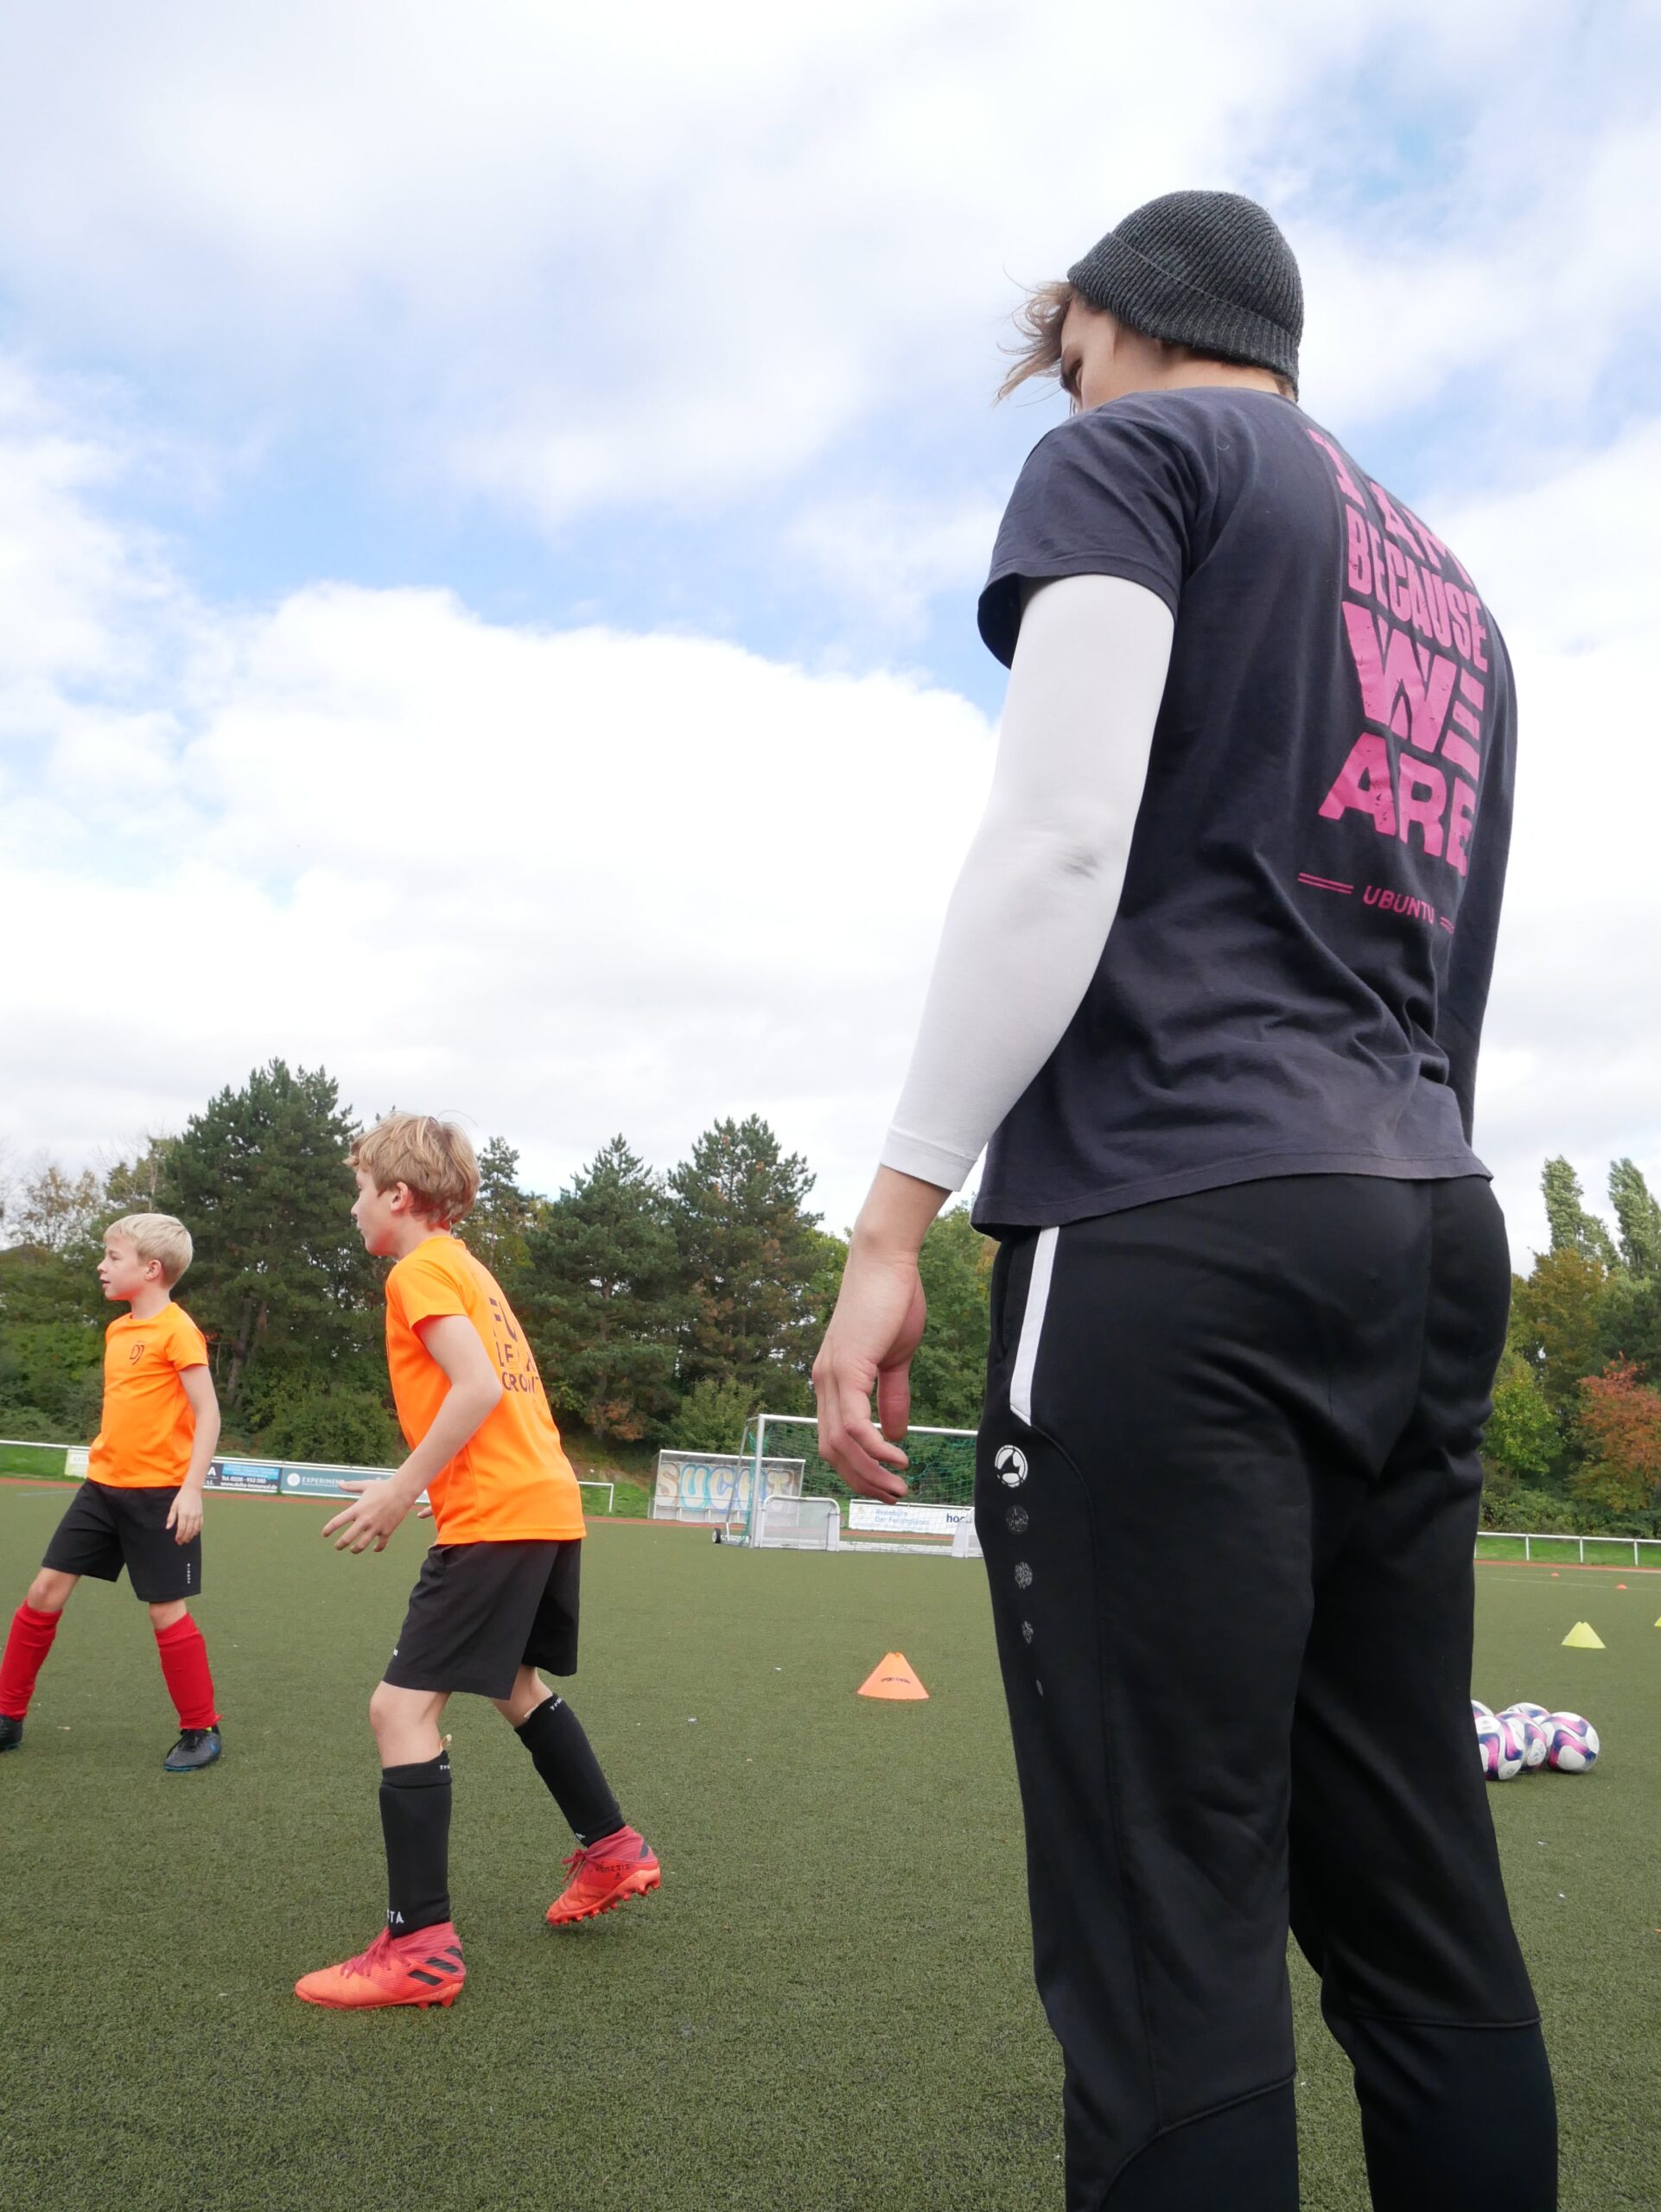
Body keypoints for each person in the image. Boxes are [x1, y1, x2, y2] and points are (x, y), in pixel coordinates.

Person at [813, 190, 1555, 2210]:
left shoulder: (1133, 453)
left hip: (1178, 1216)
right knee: (1415, 1894)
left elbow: (1058, 838)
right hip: (1421, 1216)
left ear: (1118, 320)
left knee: (1167, 1914)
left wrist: (891, 1220)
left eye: (1064, 360)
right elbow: (1448, 962)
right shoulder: (1450, 589)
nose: (1062, 399)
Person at [294, 1112, 658, 2012]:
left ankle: (418, 1948)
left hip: (498, 1516)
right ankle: (612, 1848)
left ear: (397, 1195)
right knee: (513, 1684)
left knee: (399, 1710)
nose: (352, 1209)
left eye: (357, 1191)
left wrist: (400, 1488)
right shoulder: (469, 1269)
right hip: (541, 1504)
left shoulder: (418, 1270)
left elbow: (478, 1386)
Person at [0, 1213, 223, 1771]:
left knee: (164, 1612)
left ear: (151, 1269)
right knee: (44, 1591)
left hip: (159, 1496)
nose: (101, 1265)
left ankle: (201, 1729)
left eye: (113, 1257)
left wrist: (191, 1490)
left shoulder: (178, 1330)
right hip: (101, 1489)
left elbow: (208, 1413)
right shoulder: (117, 1331)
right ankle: (7, 1715)